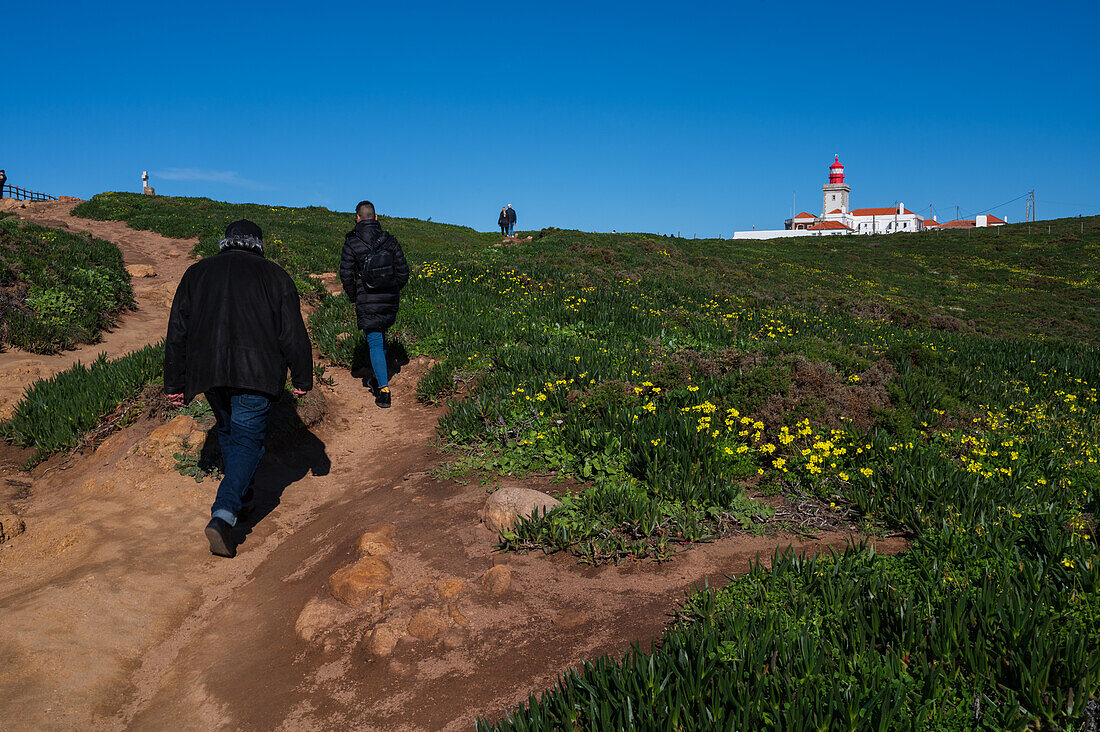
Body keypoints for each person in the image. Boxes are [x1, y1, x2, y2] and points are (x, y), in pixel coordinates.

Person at [164, 219, 313, 558]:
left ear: (225, 242)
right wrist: (302, 378)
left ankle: (243, 500)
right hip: (257, 374)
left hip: (209, 373)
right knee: (247, 441)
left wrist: (175, 383)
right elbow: (292, 333)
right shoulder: (275, 276)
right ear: (259, 244)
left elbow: (177, 333)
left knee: (230, 433)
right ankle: (224, 513)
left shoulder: (196, 274)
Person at [339, 200, 410, 408]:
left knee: (375, 342)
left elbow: (346, 275)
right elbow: (403, 272)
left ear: (358, 218)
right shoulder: (390, 240)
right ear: (376, 217)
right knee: (381, 336)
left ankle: (384, 391)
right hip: (389, 298)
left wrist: (355, 296)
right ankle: (379, 378)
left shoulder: (352, 242)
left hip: (367, 299)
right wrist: (393, 289)